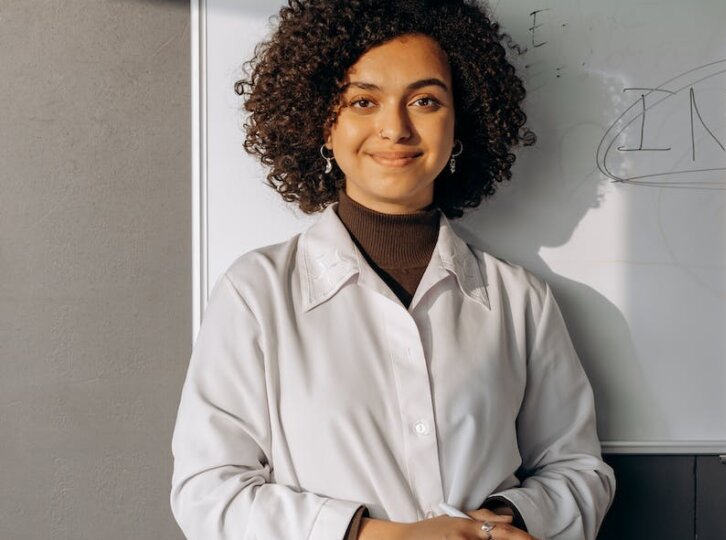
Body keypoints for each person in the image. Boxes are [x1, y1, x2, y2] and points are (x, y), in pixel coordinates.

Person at [170, 1, 615, 539]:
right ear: (322, 124)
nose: (395, 128)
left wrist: (498, 525)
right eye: (363, 101)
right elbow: (208, 491)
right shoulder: (256, 293)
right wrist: (386, 537)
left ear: (462, 122)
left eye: (425, 100)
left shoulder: (520, 300)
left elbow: (579, 470)